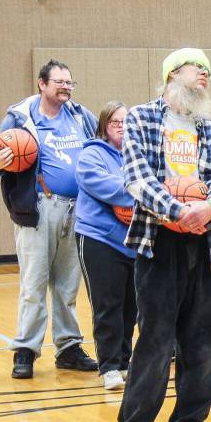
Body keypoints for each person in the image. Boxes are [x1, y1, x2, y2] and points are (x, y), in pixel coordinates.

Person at [110, 48, 211, 422]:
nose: (206, 74)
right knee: (155, 342)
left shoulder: (209, 126)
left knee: (202, 345)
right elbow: (137, 176)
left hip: (208, 243)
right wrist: (179, 211)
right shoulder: (142, 118)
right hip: (159, 242)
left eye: (209, 70)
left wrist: (208, 208)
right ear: (172, 74)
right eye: (198, 68)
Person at [0, 59, 100, 379]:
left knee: (68, 286)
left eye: (69, 82)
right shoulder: (20, 118)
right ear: (42, 83)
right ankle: (25, 349)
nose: (66, 87)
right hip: (40, 209)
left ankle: (68, 347)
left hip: (78, 209)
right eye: (59, 82)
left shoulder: (81, 116)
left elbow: (102, 149)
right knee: (34, 284)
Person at [74, 101, 137, 391]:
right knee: (107, 305)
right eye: (115, 122)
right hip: (98, 238)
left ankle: (124, 361)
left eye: (127, 122)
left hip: (133, 240)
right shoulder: (91, 154)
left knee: (131, 307)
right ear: (104, 126)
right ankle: (109, 366)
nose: (122, 127)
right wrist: (140, 190)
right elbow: (105, 186)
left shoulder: (138, 156)